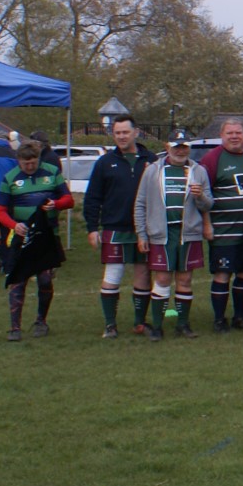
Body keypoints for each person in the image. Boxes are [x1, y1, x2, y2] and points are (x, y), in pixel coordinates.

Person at [131, 132, 211, 340]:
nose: (180, 150)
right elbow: (140, 203)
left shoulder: (198, 171)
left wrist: (200, 195)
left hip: (188, 233)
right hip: (161, 233)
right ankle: (157, 326)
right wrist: (142, 234)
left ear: (189, 148)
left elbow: (209, 204)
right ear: (167, 147)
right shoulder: (153, 170)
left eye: (184, 146)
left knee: (185, 279)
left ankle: (182, 324)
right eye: (176, 146)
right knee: (163, 278)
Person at [83, 115, 156, 338]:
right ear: (113, 135)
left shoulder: (151, 160)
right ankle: (110, 325)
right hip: (114, 226)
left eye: (126, 132)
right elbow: (92, 197)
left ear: (136, 132)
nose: (122, 136)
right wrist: (92, 228)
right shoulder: (105, 162)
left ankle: (139, 323)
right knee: (113, 273)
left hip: (145, 228)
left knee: (143, 273)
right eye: (118, 133)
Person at [0, 141, 72, 340]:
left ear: (38, 159)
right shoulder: (10, 178)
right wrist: (14, 225)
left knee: (45, 279)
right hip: (22, 236)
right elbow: (1, 211)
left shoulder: (52, 172)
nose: (30, 167)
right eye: (25, 163)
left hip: (46, 235)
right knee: (17, 281)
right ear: (19, 161)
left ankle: (41, 321)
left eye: (33, 163)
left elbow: (69, 200)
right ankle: (15, 327)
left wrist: (56, 204)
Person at [200, 119, 243, 332]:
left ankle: (240, 316)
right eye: (230, 133)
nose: (234, 136)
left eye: (238, 132)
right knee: (223, 274)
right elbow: (202, 196)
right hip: (225, 230)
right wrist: (207, 224)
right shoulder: (212, 159)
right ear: (222, 134)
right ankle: (219, 319)